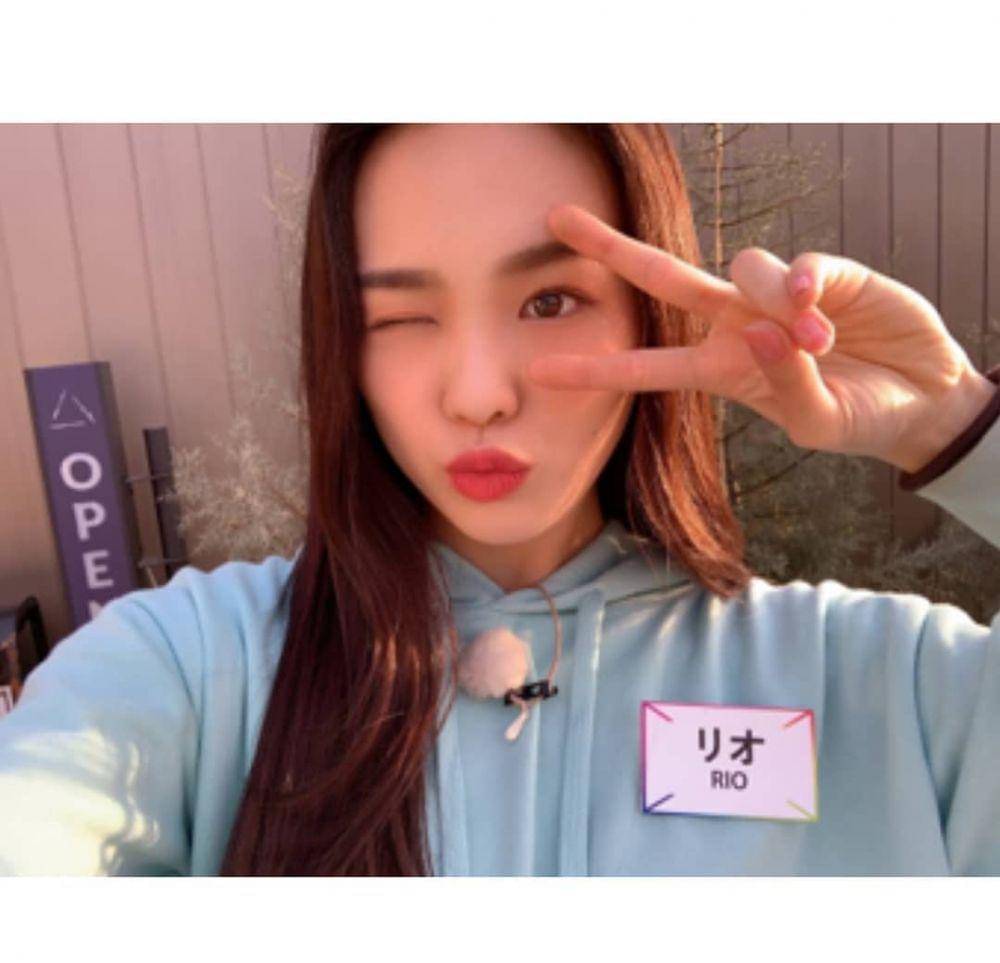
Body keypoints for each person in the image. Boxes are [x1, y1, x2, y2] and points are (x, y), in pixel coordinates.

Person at [0, 123, 998, 876]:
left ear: (651, 315)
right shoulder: (189, 672)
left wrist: (956, 427)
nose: (478, 394)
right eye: (401, 316)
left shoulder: (891, 689)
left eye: (550, 301)